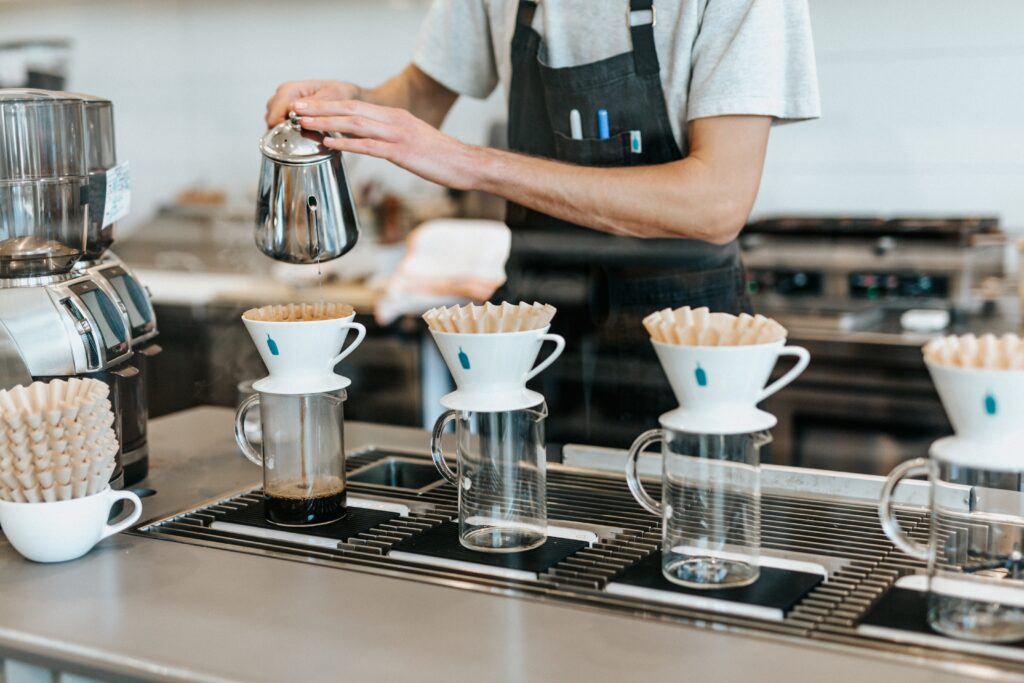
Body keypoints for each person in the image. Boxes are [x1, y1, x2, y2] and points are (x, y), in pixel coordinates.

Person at [266, 0, 820, 445]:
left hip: (684, 337)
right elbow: (421, 93)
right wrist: (352, 101)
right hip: (532, 329)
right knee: (520, 532)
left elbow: (715, 204)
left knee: (678, 552)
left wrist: (469, 163)